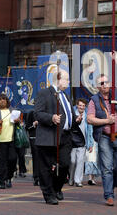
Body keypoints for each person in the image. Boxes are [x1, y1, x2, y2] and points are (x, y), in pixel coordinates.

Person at [34, 69, 82, 205]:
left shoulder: (66, 96)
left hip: (65, 136)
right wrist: (51, 117)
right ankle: (48, 194)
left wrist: (76, 119)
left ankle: (56, 188)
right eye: (66, 79)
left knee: (66, 164)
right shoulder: (44, 93)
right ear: (59, 79)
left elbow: (69, 114)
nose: (68, 82)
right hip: (49, 136)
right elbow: (37, 113)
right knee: (46, 167)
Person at [87, 74, 117, 206]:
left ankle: (113, 185)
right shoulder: (93, 100)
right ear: (97, 86)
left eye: (106, 81)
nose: (105, 84)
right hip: (105, 137)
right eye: (101, 83)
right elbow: (90, 119)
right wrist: (107, 121)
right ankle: (109, 195)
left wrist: (116, 60)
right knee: (106, 168)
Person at [69, 98, 93, 187]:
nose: (81, 107)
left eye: (83, 106)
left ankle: (78, 180)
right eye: (80, 105)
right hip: (72, 141)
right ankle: (71, 178)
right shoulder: (72, 114)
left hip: (83, 142)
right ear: (77, 105)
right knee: (72, 161)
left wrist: (90, 143)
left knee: (80, 161)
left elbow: (90, 130)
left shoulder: (87, 116)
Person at [25, 110, 40, 186]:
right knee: (36, 157)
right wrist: (34, 124)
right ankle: (36, 177)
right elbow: (27, 126)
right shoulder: (31, 113)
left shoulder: (46, 112)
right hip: (34, 137)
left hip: (44, 138)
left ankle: (43, 177)